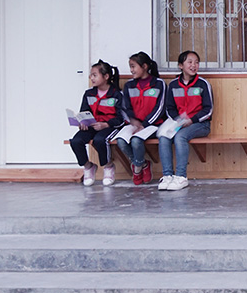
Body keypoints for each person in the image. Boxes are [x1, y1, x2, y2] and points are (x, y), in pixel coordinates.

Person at [157, 50, 214, 192]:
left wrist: (192, 120)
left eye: (196, 62)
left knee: (180, 137)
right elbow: (169, 108)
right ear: (180, 65)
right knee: (164, 137)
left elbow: (208, 109)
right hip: (178, 123)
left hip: (200, 124)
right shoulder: (174, 85)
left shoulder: (203, 84)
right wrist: (178, 120)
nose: (194, 65)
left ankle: (181, 177)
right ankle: (167, 176)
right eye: (190, 62)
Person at [69, 59, 125, 187]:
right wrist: (82, 122)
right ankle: (88, 166)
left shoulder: (116, 94)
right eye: (91, 75)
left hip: (109, 126)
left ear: (106, 77)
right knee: (76, 141)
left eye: (94, 75)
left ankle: (108, 166)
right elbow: (84, 112)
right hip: (92, 126)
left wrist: (106, 124)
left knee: (100, 140)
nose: (91, 78)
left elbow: (121, 118)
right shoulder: (89, 93)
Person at [117, 51, 167, 186]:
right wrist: (133, 121)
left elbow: (160, 108)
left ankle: (137, 169)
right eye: (130, 67)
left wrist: (144, 125)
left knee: (136, 141)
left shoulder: (159, 84)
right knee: (121, 141)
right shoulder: (129, 85)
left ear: (144, 66)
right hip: (135, 123)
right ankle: (143, 164)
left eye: (133, 66)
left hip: (153, 124)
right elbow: (126, 108)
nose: (131, 70)